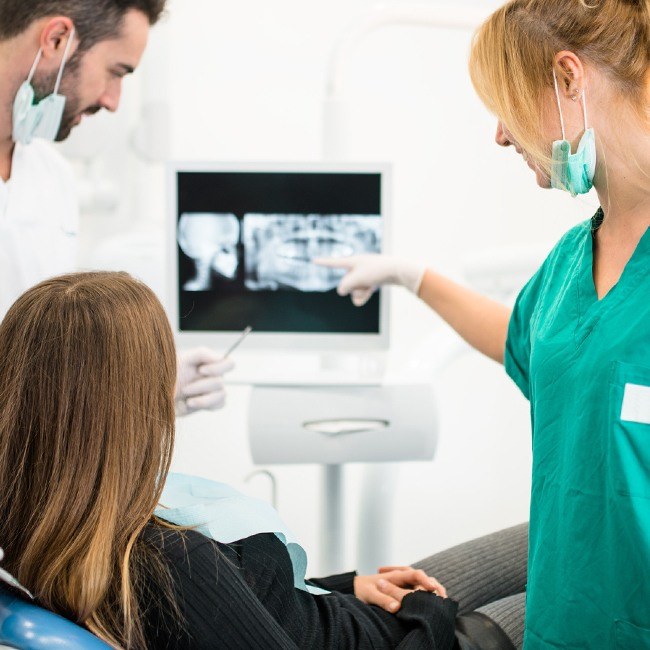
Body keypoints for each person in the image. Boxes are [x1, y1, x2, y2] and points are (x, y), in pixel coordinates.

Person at [317, 0, 650, 648]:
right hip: (563, 622)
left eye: (507, 105)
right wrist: (413, 276)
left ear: (568, 79)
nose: (500, 134)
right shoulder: (568, 265)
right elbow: (528, 345)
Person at [0, 271, 532, 650]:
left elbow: (246, 606)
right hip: (419, 638)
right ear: (130, 408)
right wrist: (433, 615)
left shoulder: (41, 522)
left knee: (557, 533)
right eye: (159, 372)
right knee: (596, 562)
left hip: (341, 610)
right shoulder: (176, 564)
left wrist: (345, 585)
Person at [0, 0, 231, 416]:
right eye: (115, 72)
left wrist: (143, 390)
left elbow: (41, 367)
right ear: (56, 39)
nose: (113, 101)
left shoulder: (51, 176)